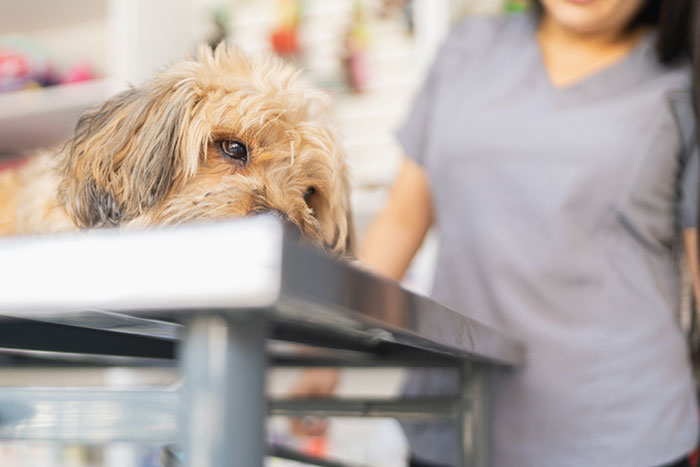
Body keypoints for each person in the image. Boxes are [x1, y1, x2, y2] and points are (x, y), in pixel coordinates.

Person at [293, 0, 700, 465]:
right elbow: (404, 217)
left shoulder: (681, 84)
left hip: (617, 431)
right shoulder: (468, 48)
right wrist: (330, 342)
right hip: (455, 418)